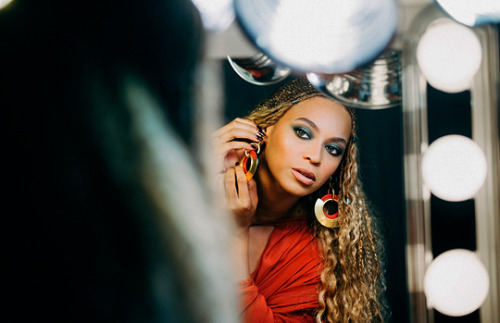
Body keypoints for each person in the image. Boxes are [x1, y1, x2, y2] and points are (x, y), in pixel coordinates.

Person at [213, 78, 387, 322]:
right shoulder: (205, 185)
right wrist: (195, 167)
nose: (315, 157)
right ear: (266, 128)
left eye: (333, 149)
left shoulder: (318, 255)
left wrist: (236, 232)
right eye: (302, 132)